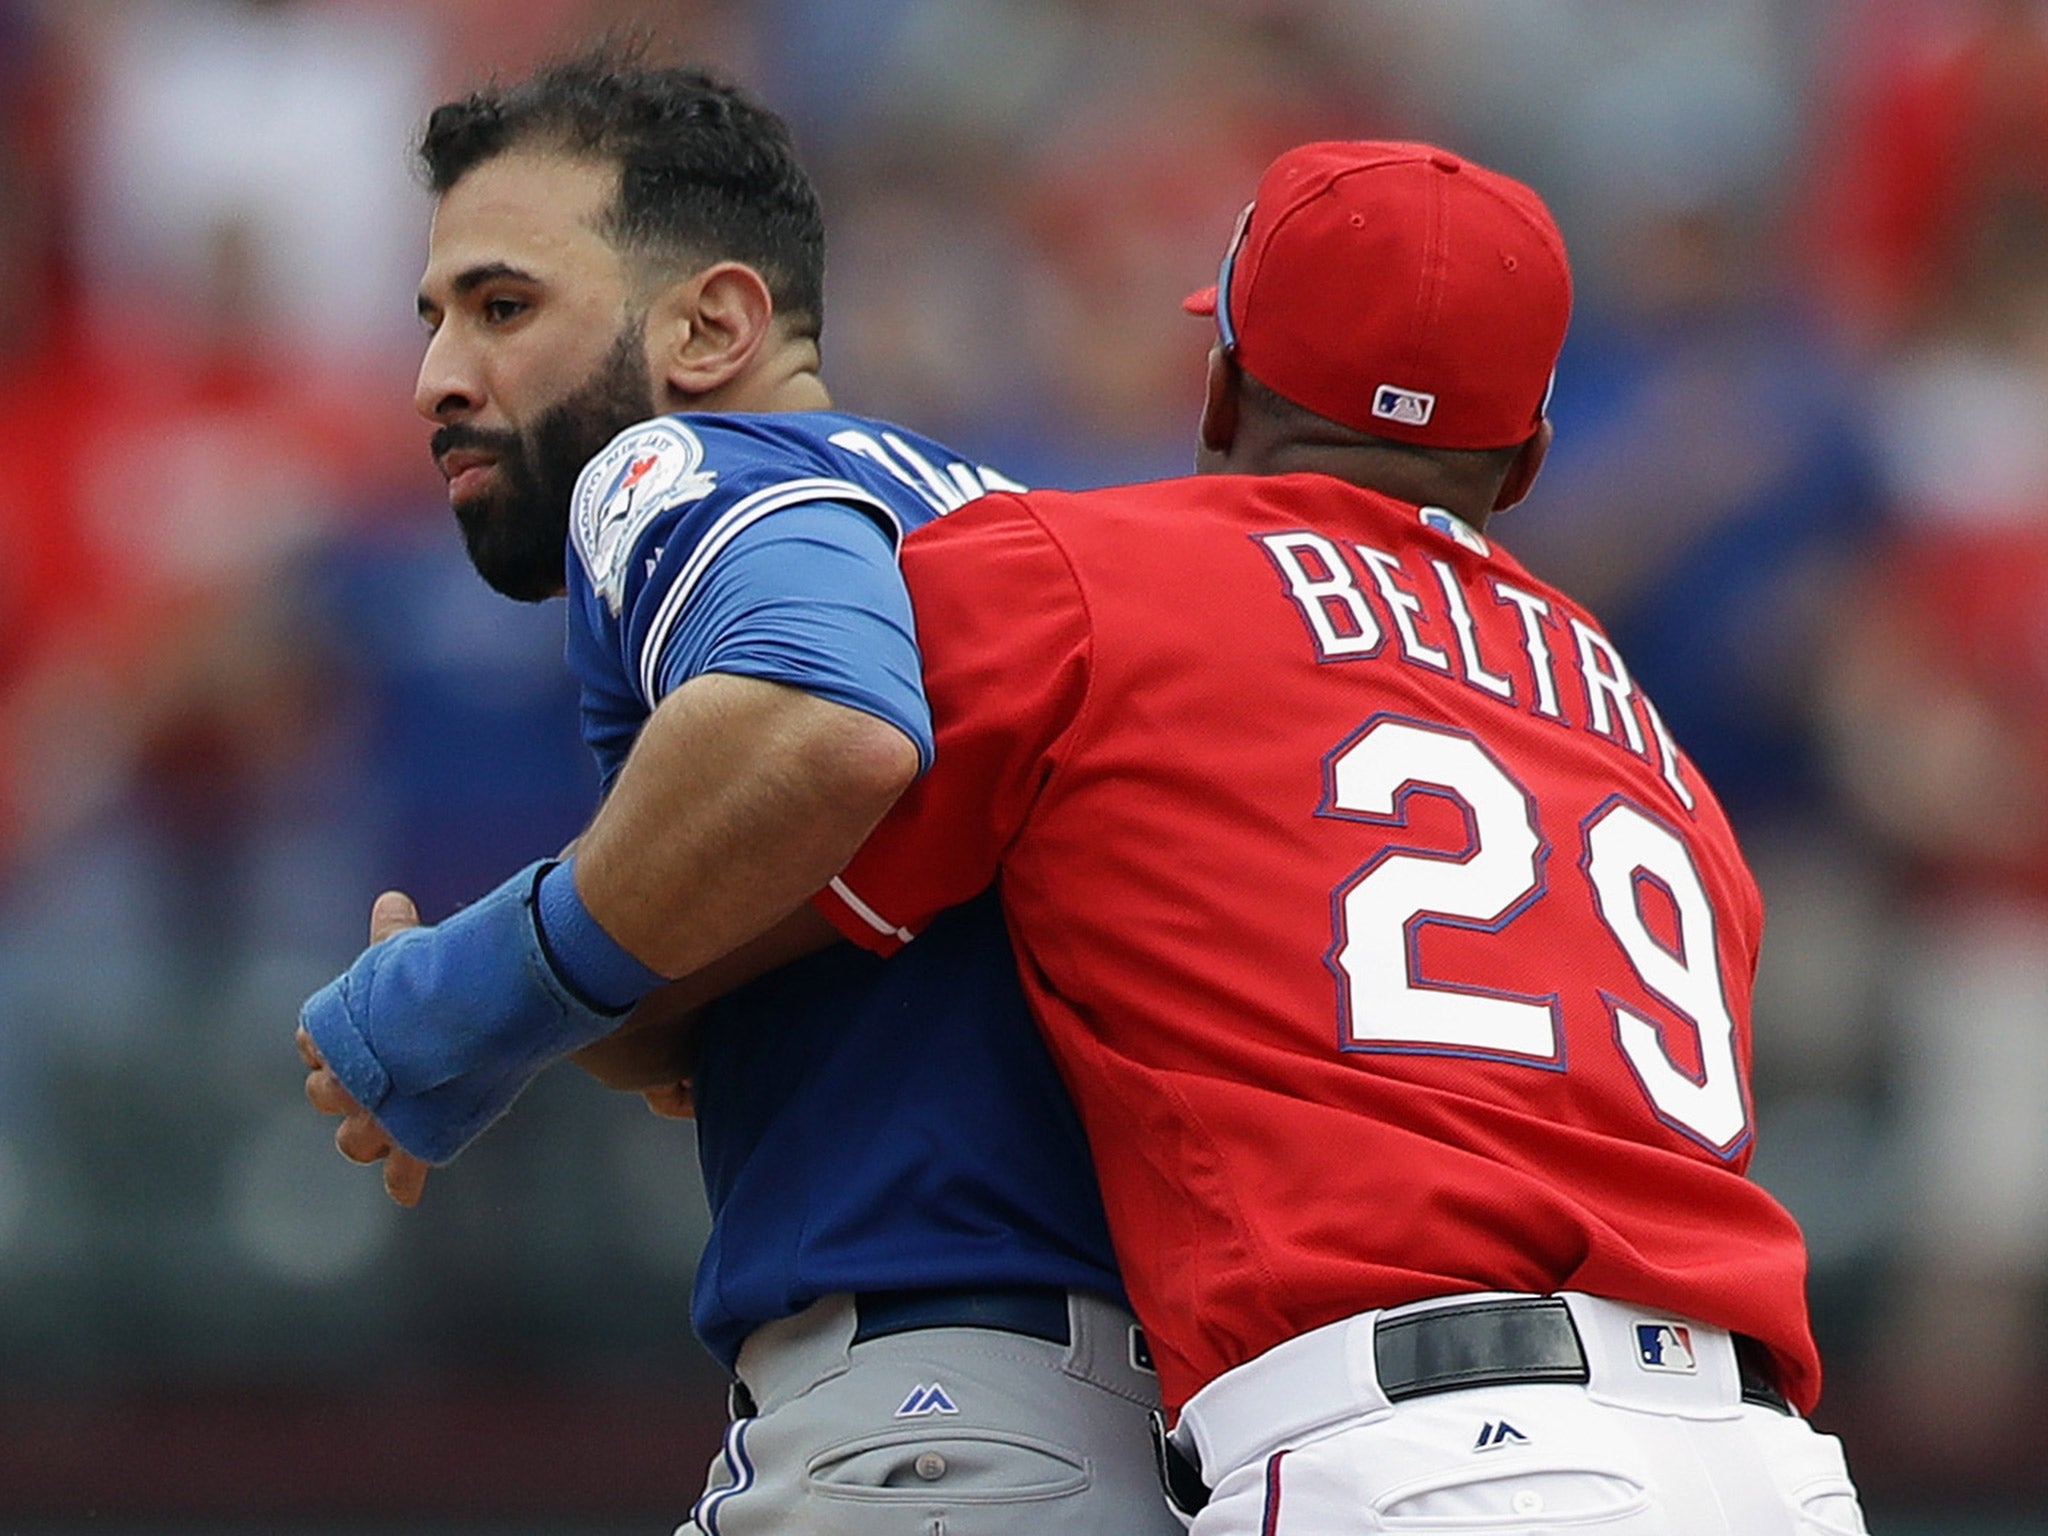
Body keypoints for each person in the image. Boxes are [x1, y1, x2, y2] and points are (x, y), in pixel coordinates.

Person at [296, 54, 1176, 1536]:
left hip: (942, 1412)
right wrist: (574, 992)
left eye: (505, 308)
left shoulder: (677, 463)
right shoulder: (1008, 519)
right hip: (1131, 1398)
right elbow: (783, 978)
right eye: (434, 318)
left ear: (712, 325)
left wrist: (468, 993)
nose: (439, 376)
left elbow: (823, 727)